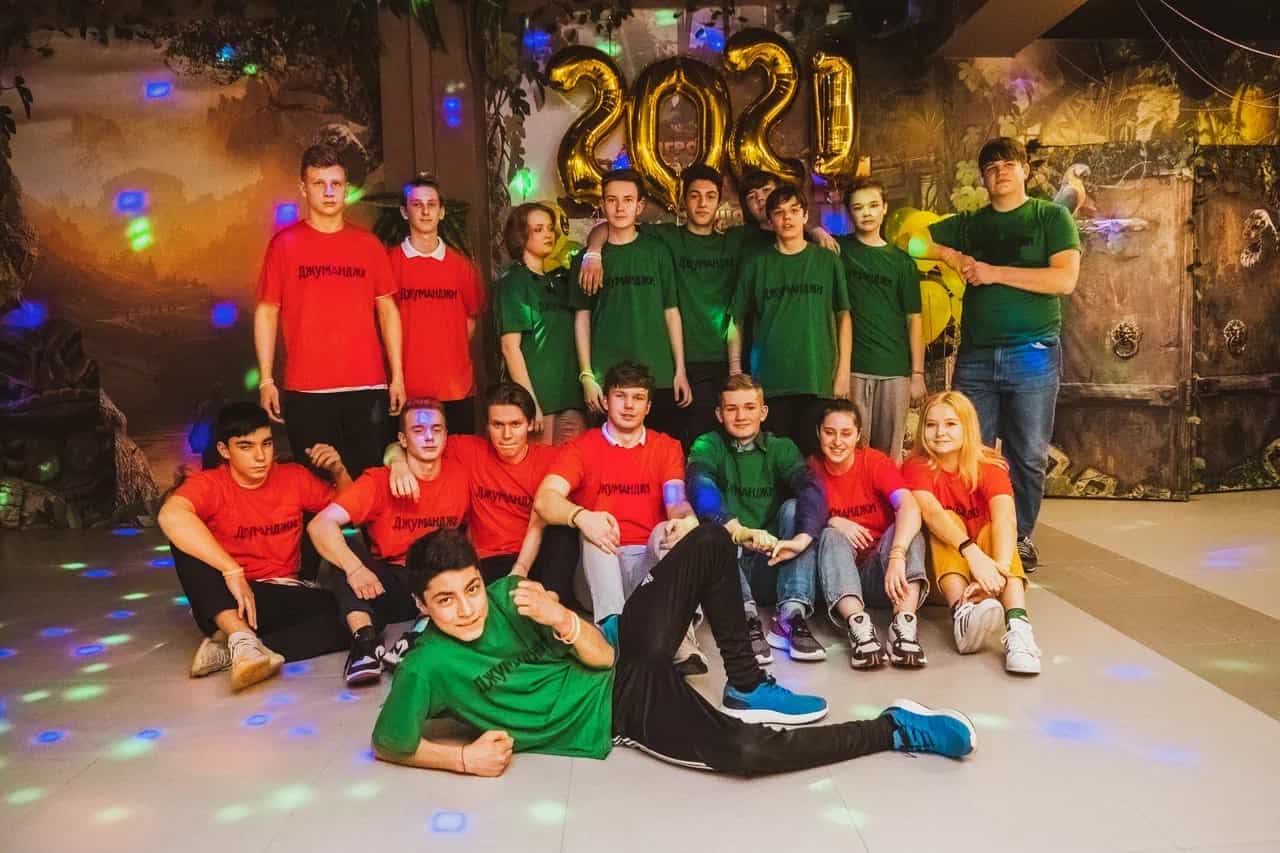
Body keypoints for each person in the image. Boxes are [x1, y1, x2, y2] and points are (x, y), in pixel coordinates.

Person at [370, 524, 977, 777]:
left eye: (472, 589)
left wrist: (562, 619)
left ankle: (746, 683)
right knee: (746, 754)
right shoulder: (427, 667)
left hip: (621, 653)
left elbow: (602, 658)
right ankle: (894, 727)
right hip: (622, 710)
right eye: (445, 600)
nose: (468, 609)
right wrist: (463, 759)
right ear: (421, 605)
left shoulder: (509, 596)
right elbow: (389, 742)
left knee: (710, 540)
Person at [922, 137, 1082, 570]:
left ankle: (1019, 537)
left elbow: (1063, 280)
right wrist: (948, 254)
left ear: (1025, 170)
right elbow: (909, 240)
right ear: (983, 179)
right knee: (964, 449)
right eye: (991, 168)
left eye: (1009, 164)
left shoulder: (1051, 217)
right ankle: (969, 536)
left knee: (1028, 453)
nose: (1000, 172)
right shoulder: (971, 224)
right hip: (976, 356)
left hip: (1033, 354)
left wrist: (994, 273)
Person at [158, 403, 353, 691]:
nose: (261, 457)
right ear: (224, 450)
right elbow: (170, 516)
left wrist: (338, 471)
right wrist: (231, 570)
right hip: (228, 599)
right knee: (184, 542)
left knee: (354, 619)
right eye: (246, 447)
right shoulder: (211, 483)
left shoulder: (293, 476)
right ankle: (238, 634)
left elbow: (351, 512)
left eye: (267, 444)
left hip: (283, 594)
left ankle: (237, 647)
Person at [254, 143, 404, 478]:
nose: (329, 192)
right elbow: (267, 312)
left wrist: (397, 376)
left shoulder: (368, 245)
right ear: (303, 188)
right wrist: (266, 380)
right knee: (317, 487)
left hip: (367, 387)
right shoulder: (284, 245)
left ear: (346, 188)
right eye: (319, 183)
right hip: (306, 389)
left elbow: (388, 311)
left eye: (336, 183)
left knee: (367, 486)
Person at [576, 165, 744, 446]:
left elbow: (779, 231)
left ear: (720, 200)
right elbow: (614, 225)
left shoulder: (735, 241)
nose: (702, 203)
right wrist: (593, 252)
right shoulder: (664, 239)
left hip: (710, 361)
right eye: (694, 196)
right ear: (683, 200)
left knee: (699, 446)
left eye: (710, 196)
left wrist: (815, 231)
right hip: (657, 366)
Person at [307, 398, 471, 685]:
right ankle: (365, 643)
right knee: (347, 544)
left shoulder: (462, 474)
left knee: (456, 553)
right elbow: (320, 525)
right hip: (388, 584)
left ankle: (418, 635)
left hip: (436, 579)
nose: (429, 437)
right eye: (418, 430)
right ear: (402, 440)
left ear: (446, 435)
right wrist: (354, 568)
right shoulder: (378, 480)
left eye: (436, 429)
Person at [533, 361, 695, 622]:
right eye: (620, 396)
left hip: (648, 570)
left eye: (638, 398)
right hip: (597, 571)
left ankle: (682, 639)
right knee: (599, 529)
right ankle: (613, 632)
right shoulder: (581, 448)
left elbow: (675, 501)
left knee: (668, 531)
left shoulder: (666, 447)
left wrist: (686, 519)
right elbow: (545, 499)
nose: (629, 405)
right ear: (606, 401)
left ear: (648, 407)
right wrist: (582, 517)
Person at [388, 383, 577, 602]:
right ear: (487, 426)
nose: (506, 435)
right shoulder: (469, 450)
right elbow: (404, 445)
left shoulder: (550, 458)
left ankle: (552, 604)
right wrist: (397, 463)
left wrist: (521, 568)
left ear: (530, 424)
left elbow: (544, 515)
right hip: (489, 559)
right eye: (498, 425)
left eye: (515, 424)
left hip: (536, 555)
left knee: (563, 530)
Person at [686, 373, 827, 665]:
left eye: (749, 407)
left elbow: (811, 488)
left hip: (773, 562)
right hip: (728, 569)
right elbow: (700, 485)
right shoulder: (707, 444)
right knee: (710, 525)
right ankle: (746, 619)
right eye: (732, 408)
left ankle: (791, 615)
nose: (741, 416)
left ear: (763, 412)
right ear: (719, 414)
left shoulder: (781, 447)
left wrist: (801, 541)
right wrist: (736, 529)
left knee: (794, 508)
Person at [903, 391, 1041, 675]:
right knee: (948, 520)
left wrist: (999, 569)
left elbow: (1006, 518)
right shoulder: (915, 466)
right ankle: (962, 614)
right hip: (940, 577)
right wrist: (972, 553)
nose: (940, 432)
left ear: (967, 427)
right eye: (931, 425)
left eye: (950, 424)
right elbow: (932, 513)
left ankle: (1018, 627)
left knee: (993, 529)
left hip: (988, 577)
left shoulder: (989, 465)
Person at [569, 169, 692, 437]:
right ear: (602, 204)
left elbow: (671, 312)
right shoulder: (586, 260)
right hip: (606, 379)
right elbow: (582, 318)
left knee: (658, 453)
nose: (619, 207)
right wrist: (587, 375)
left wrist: (680, 369)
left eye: (627, 200)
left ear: (640, 206)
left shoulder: (658, 252)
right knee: (610, 455)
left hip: (658, 375)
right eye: (611, 200)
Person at [730, 184, 852, 456]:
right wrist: (736, 369)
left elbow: (844, 316)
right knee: (774, 460)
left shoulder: (827, 261)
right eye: (779, 212)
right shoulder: (756, 264)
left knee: (814, 462)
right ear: (770, 221)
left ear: (805, 216)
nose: (787, 218)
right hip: (770, 383)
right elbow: (734, 321)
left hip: (817, 378)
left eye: (794, 211)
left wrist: (843, 371)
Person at [810, 399, 929, 669]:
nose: (837, 442)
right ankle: (859, 627)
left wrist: (897, 555)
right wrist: (833, 520)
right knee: (830, 534)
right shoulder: (812, 468)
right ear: (819, 433)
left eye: (846, 433)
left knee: (909, 530)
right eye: (829, 432)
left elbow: (909, 506)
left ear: (858, 435)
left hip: (883, 577)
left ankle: (904, 625)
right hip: (837, 580)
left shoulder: (874, 462)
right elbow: (799, 516)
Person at [836, 177, 926, 462]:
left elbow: (914, 319)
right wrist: (815, 230)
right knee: (852, 452)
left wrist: (917, 374)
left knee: (889, 457)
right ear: (849, 212)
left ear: (885, 207)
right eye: (858, 207)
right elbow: (805, 234)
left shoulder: (902, 262)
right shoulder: (839, 251)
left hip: (894, 369)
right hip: (853, 369)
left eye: (873, 205)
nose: (867, 213)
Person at [391, 174, 484, 436]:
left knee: (458, 456)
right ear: (404, 212)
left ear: (441, 212)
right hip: (407, 391)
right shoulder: (389, 263)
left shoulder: (462, 266)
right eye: (417, 204)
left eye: (432, 204)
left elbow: (470, 321)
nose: (425, 211)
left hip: (456, 389)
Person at [495, 202, 586, 445]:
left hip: (571, 397)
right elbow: (510, 348)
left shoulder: (560, 281)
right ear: (521, 236)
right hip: (539, 400)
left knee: (572, 466)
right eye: (538, 229)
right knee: (540, 465)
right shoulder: (514, 281)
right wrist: (530, 402)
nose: (548, 234)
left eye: (549, 228)